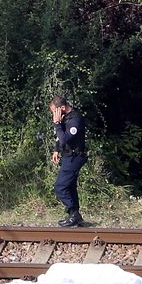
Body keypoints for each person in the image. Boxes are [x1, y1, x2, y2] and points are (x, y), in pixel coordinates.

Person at [49, 95, 87, 228]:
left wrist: (57, 124)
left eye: (55, 111)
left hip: (75, 157)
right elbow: (61, 139)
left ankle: (74, 215)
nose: (54, 115)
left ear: (63, 108)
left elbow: (64, 137)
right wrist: (56, 150)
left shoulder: (75, 120)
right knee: (70, 187)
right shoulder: (66, 117)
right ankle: (74, 216)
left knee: (61, 186)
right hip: (68, 156)